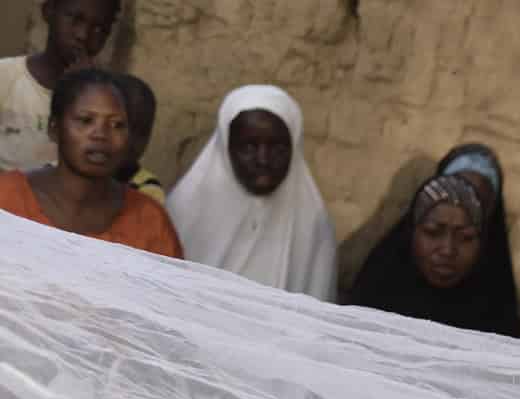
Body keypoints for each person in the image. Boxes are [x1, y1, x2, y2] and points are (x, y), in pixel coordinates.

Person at [167, 86, 337, 300]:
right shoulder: (182, 214)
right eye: (248, 147)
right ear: (225, 148)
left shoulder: (312, 225)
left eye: (278, 149)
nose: (263, 160)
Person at [347, 143, 520, 338]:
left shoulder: (495, 304)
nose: (447, 250)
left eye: (465, 237)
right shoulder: (379, 285)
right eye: (432, 232)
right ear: (412, 231)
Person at [0, 68, 180, 257]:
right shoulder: (7, 199)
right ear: (54, 128)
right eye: (86, 120)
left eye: (117, 124)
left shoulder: (150, 223)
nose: (101, 135)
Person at [0, 0, 117, 172]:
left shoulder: (107, 100)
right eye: (76, 19)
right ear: (48, 11)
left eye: (99, 29)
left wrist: (82, 91)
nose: (83, 35)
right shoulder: (6, 76)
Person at [110, 73, 162, 204]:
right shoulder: (65, 173)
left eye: (142, 132)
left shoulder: (148, 189)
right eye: (120, 126)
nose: (131, 141)